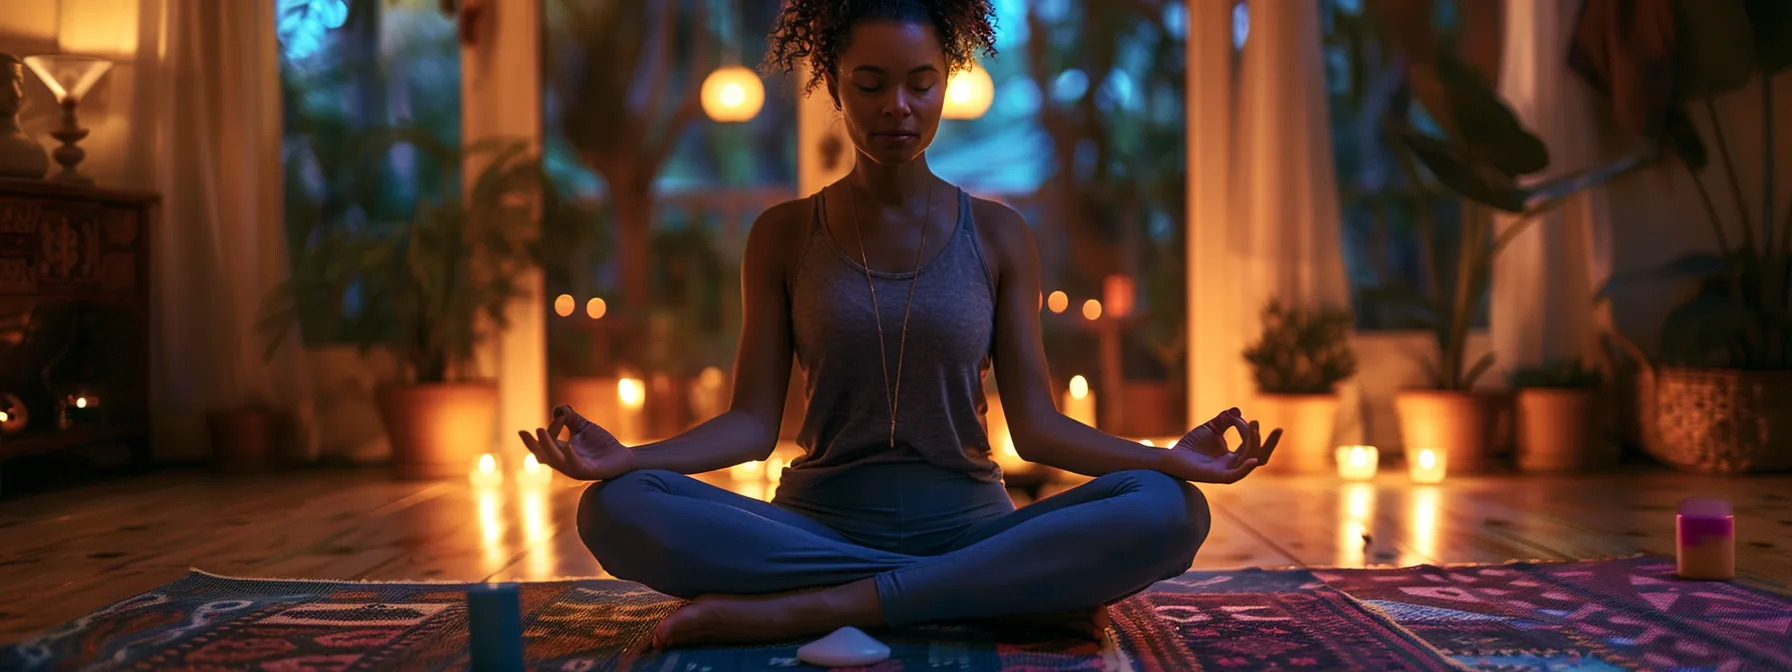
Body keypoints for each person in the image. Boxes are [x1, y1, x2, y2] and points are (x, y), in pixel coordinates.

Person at [517, 0, 1282, 649]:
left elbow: (1041, 428)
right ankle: (988, 599)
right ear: (833, 86)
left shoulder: (999, 233)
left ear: (945, 82)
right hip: (813, 533)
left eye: (921, 84)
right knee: (614, 508)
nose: (898, 108)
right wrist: (628, 457)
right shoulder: (783, 235)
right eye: (870, 84)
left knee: (1169, 509)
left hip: (975, 529)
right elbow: (751, 426)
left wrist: (1170, 459)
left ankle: (827, 608)